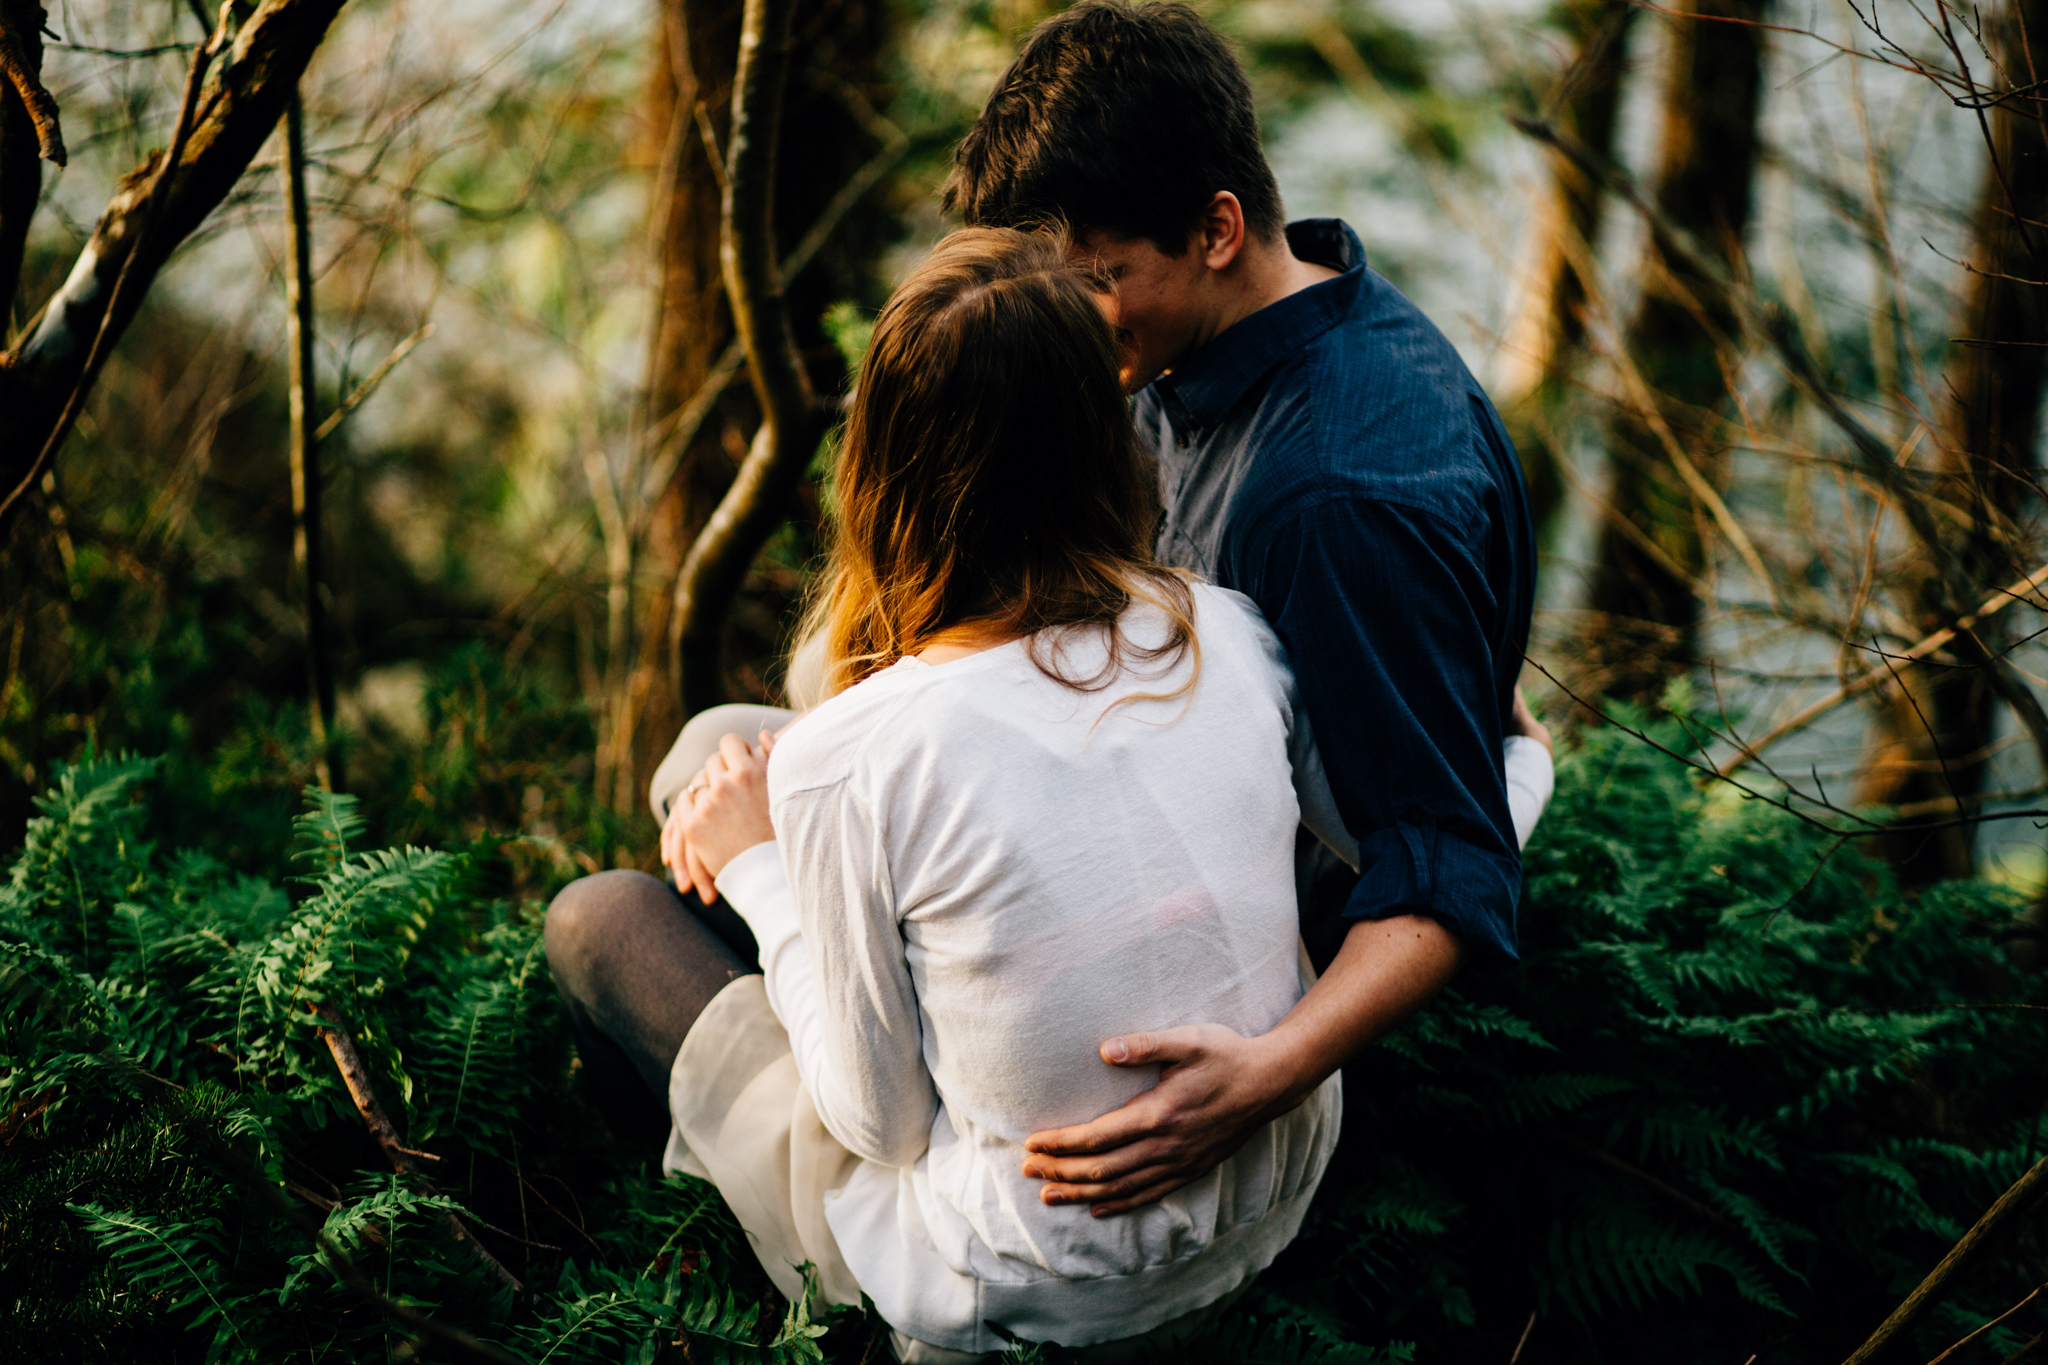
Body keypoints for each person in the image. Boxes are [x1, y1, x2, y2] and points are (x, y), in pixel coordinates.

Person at [544, 229, 1542, 1360]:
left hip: (1024, 1287)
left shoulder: (852, 759)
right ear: (1105, 442)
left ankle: (685, 1251)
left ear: (879, 465)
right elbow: (1397, 841)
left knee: (601, 918)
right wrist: (1514, 758)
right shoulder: (1227, 631)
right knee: (718, 753)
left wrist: (759, 871)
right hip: (1264, 1199)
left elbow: (879, 1121)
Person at [932, 0, 1546, 1217]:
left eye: (1101, 278)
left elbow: (1441, 865)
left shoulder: (1332, 497)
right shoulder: (1215, 336)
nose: (1078, 317)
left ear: (1217, 228)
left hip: (1221, 947)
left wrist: (1266, 1075)